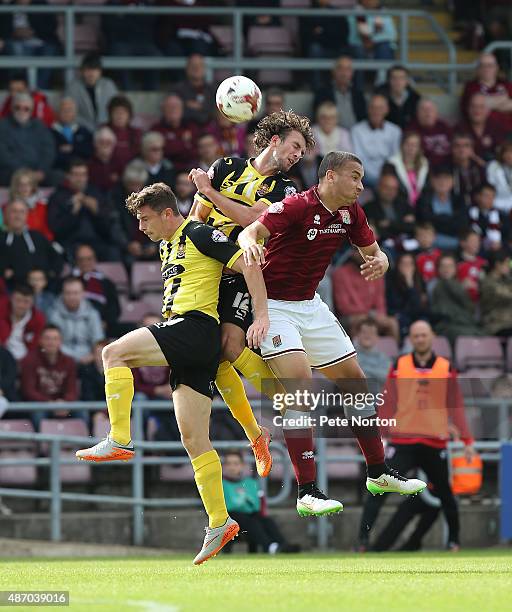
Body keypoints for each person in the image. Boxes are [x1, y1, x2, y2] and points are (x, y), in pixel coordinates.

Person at [75, 182, 270, 565]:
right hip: (191, 341)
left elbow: (246, 261)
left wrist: (259, 313)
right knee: (193, 438)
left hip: (195, 327)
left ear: (168, 213)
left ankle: (119, 438)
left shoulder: (196, 232)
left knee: (113, 353)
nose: (142, 228)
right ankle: (219, 522)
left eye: (146, 219)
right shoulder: (168, 244)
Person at [239, 151, 427, 512]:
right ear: (329, 176)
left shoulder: (351, 213)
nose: (360, 185)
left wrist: (382, 260)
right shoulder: (295, 206)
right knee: (298, 388)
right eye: (354, 176)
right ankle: (307, 490)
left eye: (361, 178)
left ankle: (378, 471)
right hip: (274, 306)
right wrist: (249, 241)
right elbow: (253, 231)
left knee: (355, 382)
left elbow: (374, 251)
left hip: (310, 306)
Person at [188, 111, 343, 513]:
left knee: (229, 343)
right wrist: (187, 243)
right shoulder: (226, 166)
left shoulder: (285, 189)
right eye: (294, 146)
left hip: (244, 270)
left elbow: (255, 219)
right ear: (273, 139)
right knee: (214, 353)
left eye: (302, 152)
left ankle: (273, 409)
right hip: (206, 267)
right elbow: (197, 215)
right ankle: (262, 422)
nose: (297, 156)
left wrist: (209, 192)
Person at [358, 320, 475, 551]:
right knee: (379, 489)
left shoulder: (446, 367)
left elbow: (456, 406)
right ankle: (362, 541)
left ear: (432, 337)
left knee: (446, 494)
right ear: (411, 339)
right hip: (403, 440)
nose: (420, 339)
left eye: (424, 335)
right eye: (416, 336)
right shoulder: (400, 365)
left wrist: (467, 440)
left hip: (434, 441)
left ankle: (454, 541)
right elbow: (388, 401)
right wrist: (380, 435)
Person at [222, 450, 300, 554]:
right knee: (250, 521)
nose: (232, 467)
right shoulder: (220, 484)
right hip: (230, 518)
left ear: (242, 466)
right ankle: (269, 547)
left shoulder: (250, 483)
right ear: (224, 466)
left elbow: (257, 504)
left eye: (236, 463)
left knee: (266, 521)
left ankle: (282, 544)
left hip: (249, 515)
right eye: (229, 464)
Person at [47, 158, 117, 261]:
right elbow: (56, 229)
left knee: (113, 252)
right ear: (68, 176)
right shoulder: (58, 197)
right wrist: (73, 212)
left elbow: (109, 227)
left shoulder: (96, 194)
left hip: (96, 242)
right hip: (70, 243)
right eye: (76, 175)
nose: (80, 179)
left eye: (83, 175)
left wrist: (97, 211)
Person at [333, 251, 400, 341]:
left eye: (364, 252)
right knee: (359, 321)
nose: (362, 255)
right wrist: (367, 314)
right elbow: (344, 307)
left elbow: (380, 302)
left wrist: (380, 315)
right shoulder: (341, 273)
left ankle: (395, 354)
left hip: (371, 315)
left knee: (392, 323)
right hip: (349, 317)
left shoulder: (376, 272)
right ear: (352, 253)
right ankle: (356, 353)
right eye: (358, 252)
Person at [20, 325, 79, 422]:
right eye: (47, 338)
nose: (51, 343)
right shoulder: (29, 360)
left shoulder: (69, 361)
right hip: (40, 404)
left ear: (60, 341)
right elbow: (28, 391)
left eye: (55, 339)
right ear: (40, 341)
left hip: (62, 404)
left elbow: (72, 390)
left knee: (82, 412)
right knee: (38, 414)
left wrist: (64, 403)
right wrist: (49, 403)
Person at [0, 199, 64, 286]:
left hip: (43, 289)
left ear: (27, 215)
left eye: (22, 212)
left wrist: (46, 276)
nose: (18, 216)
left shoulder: (37, 236)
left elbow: (56, 260)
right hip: (12, 290)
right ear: (6, 215)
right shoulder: (1, 239)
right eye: (14, 211)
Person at [0, 0, 60, 90]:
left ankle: (40, 89)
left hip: (40, 42)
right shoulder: (8, 7)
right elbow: (3, 31)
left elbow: (51, 26)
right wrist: (14, 33)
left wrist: (33, 31)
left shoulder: (42, 5)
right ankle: (20, 87)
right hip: (16, 42)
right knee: (16, 48)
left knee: (49, 50)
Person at [0, 92, 56, 186]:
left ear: (31, 110)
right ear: (12, 108)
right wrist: (24, 172)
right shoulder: (2, 126)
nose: (22, 111)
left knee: (57, 177)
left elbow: (49, 150)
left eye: (26, 108)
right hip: (13, 171)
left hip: (38, 172)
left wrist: (41, 170)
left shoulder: (39, 126)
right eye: (18, 107)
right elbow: (4, 155)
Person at [49, 276, 105, 364]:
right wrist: (72, 358)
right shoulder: (54, 314)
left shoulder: (92, 313)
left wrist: (92, 356)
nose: (71, 297)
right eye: (68, 293)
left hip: (89, 360)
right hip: (61, 359)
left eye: (75, 293)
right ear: (62, 294)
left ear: (83, 293)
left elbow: (98, 341)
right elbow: (53, 342)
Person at [431, 253, 483, 345]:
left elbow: (470, 308)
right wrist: (461, 288)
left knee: (484, 336)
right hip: (447, 326)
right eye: (443, 266)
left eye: (450, 266)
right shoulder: (435, 286)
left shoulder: (459, 285)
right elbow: (441, 311)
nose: (446, 269)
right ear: (438, 269)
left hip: (466, 324)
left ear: (455, 269)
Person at [351, 94, 402, 188]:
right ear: (368, 109)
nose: (376, 111)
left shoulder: (395, 131)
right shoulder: (357, 130)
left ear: (387, 110)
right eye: (373, 107)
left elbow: (394, 157)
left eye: (380, 108)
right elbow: (359, 158)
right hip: (366, 176)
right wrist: (377, 178)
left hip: (388, 173)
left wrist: (385, 176)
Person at [71, 244, 121, 336]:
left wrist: (105, 322)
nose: (85, 262)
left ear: (95, 260)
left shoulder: (107, 283)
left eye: (89, 259)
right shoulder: (68, 282)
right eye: (81, 259)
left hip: (102, 325)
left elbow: (114, 308)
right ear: (76, 261)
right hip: (72, 325)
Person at [416, 166, 468, 251]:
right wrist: (450, 220)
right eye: (438, 178)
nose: (442, 182)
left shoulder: (459, 200)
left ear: (452, 181)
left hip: (456, 245)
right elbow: (425, 221)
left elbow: (462, 224)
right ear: (432, 181)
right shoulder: (424, 200)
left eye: (446, 178)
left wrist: (437, 219)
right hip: (428, 245)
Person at [66, 53, 118, 133]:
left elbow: (116, 108)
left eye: (94, 69)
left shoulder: (108, 85)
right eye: (87, 70)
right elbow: (69, 112)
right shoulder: (74, 87)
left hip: (107, 130)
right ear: (82, 71)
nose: (91, 74)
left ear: (100, 71)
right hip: (81, 130)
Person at [460, 52, 512, 132]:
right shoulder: (471, 87)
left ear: (497, 68)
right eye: (483, 65)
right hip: (483, 134)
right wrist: (504, 100)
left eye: (490, 65)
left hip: (509, 132)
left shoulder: (506, 85)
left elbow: (482, 104)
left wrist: (488, 102)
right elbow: (474, 107)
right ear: (478, 69)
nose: (486, 69)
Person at [314, 56, 367, 131]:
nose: (344, 73)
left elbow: (363, 119)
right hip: (332, 134)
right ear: (333, 71)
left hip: (356, 134)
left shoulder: (358, 94)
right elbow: (319, 118)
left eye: (347, 69)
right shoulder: (322, 93)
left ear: (352, 73)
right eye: (340, 68)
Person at [151, 94, 200, 172]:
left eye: (176, 106)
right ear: (163, 109)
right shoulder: (156, 129)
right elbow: (165, 152)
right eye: (169, 107)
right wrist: (184, 143)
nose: (173, 109)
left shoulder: (191, 127)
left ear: (182, 109)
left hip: (190, 169)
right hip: (166, 171)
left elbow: (196, 151)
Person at [386, 252, 429, 340]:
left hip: (415, 314)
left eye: (410, 264)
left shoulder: (419, 281)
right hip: (399, 314)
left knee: (424, 321)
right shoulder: (391, 280)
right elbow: (395, 304)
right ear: (398, 265)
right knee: (402, 321)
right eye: (404, 264)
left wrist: (410, 283)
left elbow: (418, 307)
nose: (407, 267)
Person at [363, 171, 415, 242]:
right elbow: (375, 232)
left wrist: (389, 224)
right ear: (379, 187)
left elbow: (412, 227)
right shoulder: (368, 208)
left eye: (394, 189)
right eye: (386, 187)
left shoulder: (404, 205)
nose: (390, 192)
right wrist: (401, 223)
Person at [0, 284, 46, 361]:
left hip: (26, 360)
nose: (21, 305)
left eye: (26, 302)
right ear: (11, 299)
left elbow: (36, 345)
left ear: (32, 302)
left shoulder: (38, 319)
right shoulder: (2, 309)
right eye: (18, 300)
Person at [50, 97, 93, 177]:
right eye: (64, 110)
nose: (67, 113)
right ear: (57, 112)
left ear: (75, 113)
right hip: (59, 172)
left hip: (82, 173)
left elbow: (89, 151)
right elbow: (51, 156)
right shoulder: (49, 132)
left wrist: (73, 148)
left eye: (70, 110)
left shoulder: (84, 131)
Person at [456, 93, 504, 163]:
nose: (477, 110)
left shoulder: (497, 128)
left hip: (493, 170)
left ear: (488, 110)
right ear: (468, 109)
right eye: (473, 106)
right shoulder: (459, 128)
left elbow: (502, 154)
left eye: (481, 107)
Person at [385, 131, 429, 207]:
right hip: (399, 207)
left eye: (415, 145)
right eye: (408, 144)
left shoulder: (424, 163)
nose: (411, 148)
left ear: (419, 148)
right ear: (402, 145)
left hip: (421, 207)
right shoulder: (391, 164)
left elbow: (427, 190)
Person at [170, 54, 217, 126]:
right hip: (184, 130)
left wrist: (199, 106)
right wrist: (204, 107)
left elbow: (216, 112)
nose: (196, 68)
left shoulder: (212, 89)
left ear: (204, 69)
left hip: (209, 130)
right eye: (193, 65)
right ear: (187, 68)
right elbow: (174, 113)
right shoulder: (178, 90)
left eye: (199, 65)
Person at [9, 167, 53, 240]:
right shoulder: (7, 207)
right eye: (21, 184)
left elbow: (47, 232)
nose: (25, 188)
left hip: (39, 244)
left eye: (28, 184)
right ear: (15, 187)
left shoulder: (42, 206)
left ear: (33, 186)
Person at [407, 98, 452, 168]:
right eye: (423, 110)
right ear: (417, 113)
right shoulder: (411, 130)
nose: (428, 113)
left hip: (448, 169)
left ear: (436, 112)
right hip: (424, 169)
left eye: (431, 109)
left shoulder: (444, 126)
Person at [104, 95, 142, 172]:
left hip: (132, 173)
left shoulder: (136, 133)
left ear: (129, 115)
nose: (120, 116)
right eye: (116, 112)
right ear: (110, 115)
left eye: (123, 112)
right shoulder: (103, 131)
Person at [376, 65, 420, 129]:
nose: (398, 81)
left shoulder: (416, 99)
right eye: (394, 78)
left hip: (409, 135)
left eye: (401, 78)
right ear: (388, 80)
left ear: (407, 81)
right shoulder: (380, 99)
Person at [480, 249, 512, 336]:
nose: (509, 267)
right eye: (507, 263)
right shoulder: (488, 282)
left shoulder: (507, 280)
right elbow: (506, 294)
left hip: (508, 324)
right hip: (495, 325)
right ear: (498, 264)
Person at [468, 182, 507, 252]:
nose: (490, 199)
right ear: (477, 197)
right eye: (487, 196)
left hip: (499, 250)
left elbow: (507, 234)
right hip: (477, 249)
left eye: (493, 196)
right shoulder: (469, 213)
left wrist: (501, 243)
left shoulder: (501, 215)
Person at [353, 318, 391, 390]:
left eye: (371, 333)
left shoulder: (383, 358)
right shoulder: (350, 356)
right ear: (357, 335)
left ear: (377, 337)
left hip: (378, 398)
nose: (367, 336)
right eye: (364, 332)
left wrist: (363, 370)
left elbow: (387, 378)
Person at [450, 132, 486, 208]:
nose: (461, 149)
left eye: (466, 146)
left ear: (472, 149)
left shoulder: (480, 168)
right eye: (457, 146)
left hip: (478, 208)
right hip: (455, 208)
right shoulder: (446, 169)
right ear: (452, 148)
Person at [87, 126, 124, 195]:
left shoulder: (119, 163)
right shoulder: (88, 164)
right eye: (101, 142)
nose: (105, 145)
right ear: (95, 144)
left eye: (108, 142)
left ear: (113, 145)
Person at [457, 229, 487, 302]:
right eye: (473, 241)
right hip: (460, 301)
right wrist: (461, 286)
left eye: (478, 241)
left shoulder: (484, 263)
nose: (477, 244)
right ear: (463, 243)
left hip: (481, 303)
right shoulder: (455, 262)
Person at [486, 140, 512, 213]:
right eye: (507, 152)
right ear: (502, 154)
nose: (510, 155)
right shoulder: (493, 166)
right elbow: (491, 186)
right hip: (497, 204)